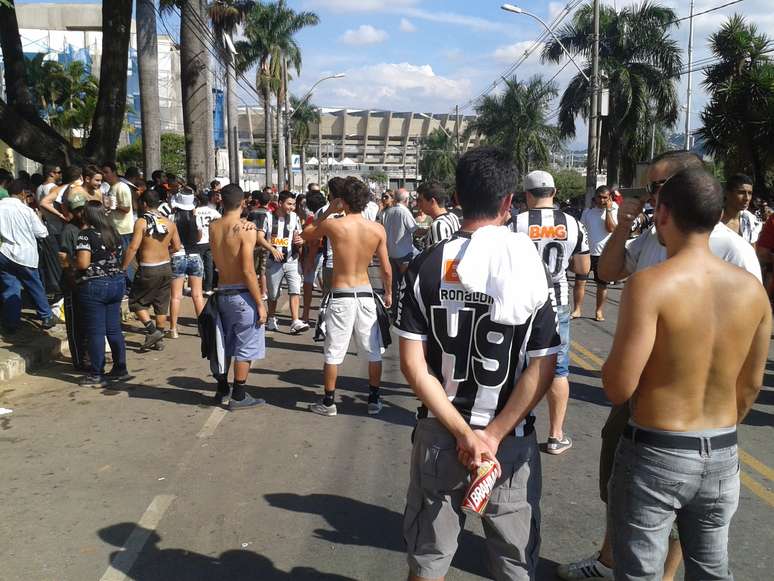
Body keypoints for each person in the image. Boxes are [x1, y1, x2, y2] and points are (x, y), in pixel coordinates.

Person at [559, 150, 762, 581]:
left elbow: (616, 386)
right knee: (712, 570)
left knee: (641, 573)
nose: (649, 198)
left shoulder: (654, 283)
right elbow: (752, 383)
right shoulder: (752, 290)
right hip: (721, 450)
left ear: (668, 208)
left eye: (656, 192)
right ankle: (606, 558)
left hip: (657, 445)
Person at [396, 147, 560, 581]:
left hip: (440, 432)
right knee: (514, 562)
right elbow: (543, 365)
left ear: (456, 197)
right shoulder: (531, 267)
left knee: (428, 562)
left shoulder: (426, 265)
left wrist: (464, 434)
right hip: (510, 439)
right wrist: (492, 434)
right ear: (509, 202)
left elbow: (414, 367)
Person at [511, 170, 590, 455]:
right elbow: (582, 269)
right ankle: (556, 435)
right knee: (558, 369)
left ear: (528, 195)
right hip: (556, 305)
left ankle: (513, 424)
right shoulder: (573, 224)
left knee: (518, 366)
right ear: (554, 193)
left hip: (522, 305)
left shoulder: (515, 223)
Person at [301, 177, 392, 417]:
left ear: (344, 201)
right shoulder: (377, 229)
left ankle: (329, 402)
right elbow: (386, 269)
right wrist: (389, 293)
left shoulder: (334, 225)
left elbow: (307, 233)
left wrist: (330, 209)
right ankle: (374, 399)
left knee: (333, 351)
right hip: (365, 292)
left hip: (341, 293)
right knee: (373, 350)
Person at [207, 184, 267, 409]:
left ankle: (222, 387)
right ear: (243, 202)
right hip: (242, 293)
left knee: (224, 343)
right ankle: (239, 395)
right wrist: (260, 303)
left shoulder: (214, 226)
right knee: (245, 346)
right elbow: (248, 270)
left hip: (221, 291)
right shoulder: (246, 229)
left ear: (221, 201)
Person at [74, 201, 131, 387]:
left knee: (96, 331)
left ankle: (97, 373)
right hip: (116, 283)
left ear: (87, 215)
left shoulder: (86, 235)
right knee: (113, 328)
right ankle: (120, 368)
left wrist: (69, 262)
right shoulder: (113, 233)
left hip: (95, 285)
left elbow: (83, 263)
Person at [122, 190, 180, 352]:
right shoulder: (169, 223)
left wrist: (123, 266)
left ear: (144, 204)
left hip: (148, 268)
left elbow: (133, 247)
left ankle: (152, 331)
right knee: (161, 304)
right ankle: (159, 339)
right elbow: (177, 246)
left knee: (136, 302)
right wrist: (164, 253)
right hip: (166, 267)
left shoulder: (141, 222)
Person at [0, 179, 58, 333]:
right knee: (35, 286)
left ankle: (11, 323)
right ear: (23, 193)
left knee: (10, 288)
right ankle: (46, 316)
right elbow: (42, 232)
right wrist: (38, 218)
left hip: (5, 252)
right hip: (25, 254)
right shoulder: (26, 211)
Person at [261, 191, 309, 334]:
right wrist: (272, 249)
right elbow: (259, 237)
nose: (292, 207)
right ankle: (271, 318)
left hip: (291, 260)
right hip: (273, 262)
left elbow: (301, 236)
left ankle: (295, 321)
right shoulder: (268, 217)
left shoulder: (295, 218)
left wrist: (301, 241)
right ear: (280, 203)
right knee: (273, 294)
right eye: (289, 204)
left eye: (293, 204)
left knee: (295, 290)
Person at [168, 189, 206, 339]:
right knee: (197, 295)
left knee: (176, 296)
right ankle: (202, 328)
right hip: (195, 255)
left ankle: (173, 329)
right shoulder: (196, 218)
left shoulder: (171, 217)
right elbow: (199, 237)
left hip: (177, 256)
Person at [58, 191, 90, 370]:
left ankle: (90, 356)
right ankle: (79, 360)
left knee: (88, 322)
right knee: (75, 324)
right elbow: (64, 258)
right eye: (77, 210)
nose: (80, 213)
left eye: (82, 209)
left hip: (87, 281)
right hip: (73, 282)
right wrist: (72, 279)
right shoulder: (69, 231)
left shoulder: (89, 227)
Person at [576, 186, 616, 321]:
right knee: (580, 282)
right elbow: (581, 231)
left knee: (601, 285)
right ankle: (577, 309)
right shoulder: (588, 212)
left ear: (609, 198)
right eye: (599, 197)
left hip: (603, 255)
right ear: (595, 197)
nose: (602, 200)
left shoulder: (614, 210)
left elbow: (610, 229)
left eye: (605, 197)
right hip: (586, 253)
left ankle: (599, 311)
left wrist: (609, 210)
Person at [380, 188, 417, 316]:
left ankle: (395, 310)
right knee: (405, 284)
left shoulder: (387, 212)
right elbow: (414, 229)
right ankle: (405, 311)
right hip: (404, 253)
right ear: (406, 200)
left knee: (394, 285)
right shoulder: (404, 211)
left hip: (391, 253)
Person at [301, 190, 327, 324]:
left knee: (308, 283)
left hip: (316, 252)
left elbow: (314, 240)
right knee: (325, 285)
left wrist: (309, 260)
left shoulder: (314, 217)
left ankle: (305, 315)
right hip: (327, 254)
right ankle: (324, 312)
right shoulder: (330, 213)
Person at [416, 180, 461, 246]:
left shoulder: (438, 225)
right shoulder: (453, 216)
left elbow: (439, 254)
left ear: (432, 201)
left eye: (420, 201)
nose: (418, 205)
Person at [194, 192, 221, 295]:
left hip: (198, 241)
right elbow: (220, 219)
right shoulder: (213, 211)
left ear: (198, 201)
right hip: (209, 241)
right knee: (209, 265)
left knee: (198, 266)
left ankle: (198, 287)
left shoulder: (195, 211)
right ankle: (208, 288)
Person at [721, 173, 760, 244]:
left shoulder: (750, 220)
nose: (747, 198)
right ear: (727, 193)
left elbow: (752, 250)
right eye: (741, 192)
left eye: (750, 193)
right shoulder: (713, 220)